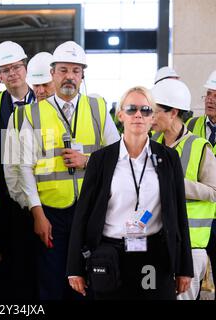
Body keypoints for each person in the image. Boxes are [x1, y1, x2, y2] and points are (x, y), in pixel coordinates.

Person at [8, 41, 119, 300]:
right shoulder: (32, 114)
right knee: (52, 282)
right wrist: (37, 213)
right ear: (53, 73)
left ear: (82, 76)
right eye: (63, 70)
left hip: (91, 210)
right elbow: (24, 167)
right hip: (52, 214)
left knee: (90, 280)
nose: (70, 76)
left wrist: (87, 161)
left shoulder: (98, 107)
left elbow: (117, 155)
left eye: (76, 71)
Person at [67, 86, 193, 300]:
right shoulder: (101, 159)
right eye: (131, 109)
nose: (138, 115)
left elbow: (179, 214)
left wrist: (184, 268)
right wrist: (74, 268)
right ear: (120, 115)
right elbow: (82, 215)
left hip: (154, 254)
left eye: (145, 110)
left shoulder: (168, 158)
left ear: (152, 117)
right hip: (110, 253)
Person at [0, 41, 37, 300]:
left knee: (35, 263)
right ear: (0, 76)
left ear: (25, 68)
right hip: (2, 195)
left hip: (39, 193)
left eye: (16, 67)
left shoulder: (43, 98)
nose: (12, 74)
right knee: (4, 264)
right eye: (6, 70)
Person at [151, 79, 216, 300]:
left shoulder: (199, 147)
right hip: (157, 241)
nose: (149, 116)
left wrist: (177, 183)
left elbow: (213, 191)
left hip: (190, 246)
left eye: (155, 111)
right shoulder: (151, 144)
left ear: (173, 113)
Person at [186, 69, 216, 299]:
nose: (211, 100)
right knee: (193, 281)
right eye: (208, 94)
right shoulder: (192, 124)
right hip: (197, 222)